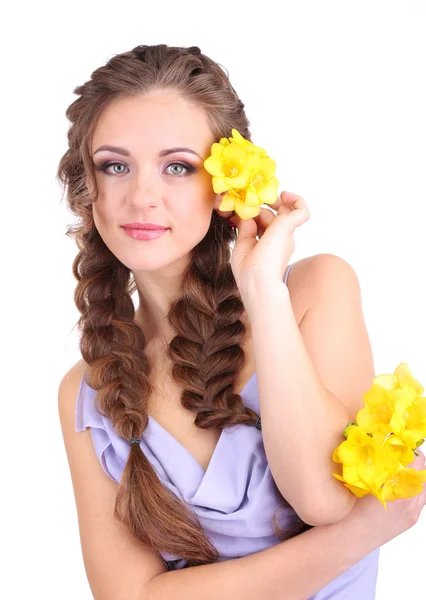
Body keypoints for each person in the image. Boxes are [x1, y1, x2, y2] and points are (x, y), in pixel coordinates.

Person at [57, 44, 426, 599]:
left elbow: (321, 498)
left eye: (177, 166)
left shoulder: (313, 290)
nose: (141, 197)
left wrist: (262, 291)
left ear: (227, 183)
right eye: (116, 166)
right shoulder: (86, 394)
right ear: (89, 190)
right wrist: (358, 537)